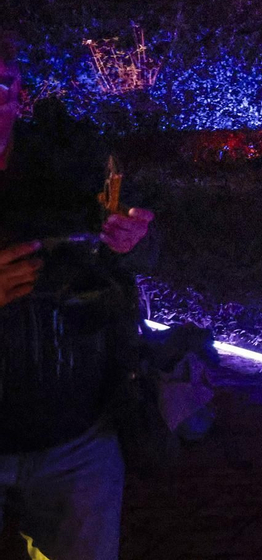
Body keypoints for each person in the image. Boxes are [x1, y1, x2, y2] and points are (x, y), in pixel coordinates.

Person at [0, 33, 154, 560]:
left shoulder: (62, 165)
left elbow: (120, 252)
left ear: (18, 95)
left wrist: (131, 241)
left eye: (0, 85)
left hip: (74, 432)